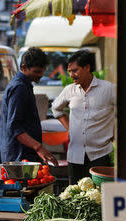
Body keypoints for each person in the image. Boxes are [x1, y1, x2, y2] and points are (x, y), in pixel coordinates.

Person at [51, 50, 115, 185]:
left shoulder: (108, 89)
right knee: (75, 196)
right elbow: (56, 108)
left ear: (87, 67)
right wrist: (69, 128)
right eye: (69, 71)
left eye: (75, 70)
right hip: (75, 155)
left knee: (99, 197)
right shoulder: (69, 90)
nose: (71, 75)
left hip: (100, 155)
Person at [0, 47, 58, 166]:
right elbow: (15, 127)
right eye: (37, 72)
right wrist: (38, 147)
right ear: (24, 68)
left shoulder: (25, 85)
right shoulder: (19, 88)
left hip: (24, 154)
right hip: (19, 156)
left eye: (42, 71)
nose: (41, 75)